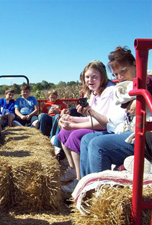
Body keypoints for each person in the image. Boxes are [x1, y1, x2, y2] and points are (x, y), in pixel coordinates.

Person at [80, 47, 139, 179]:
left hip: (138, 134)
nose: (120, 77)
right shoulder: (123, 89)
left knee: (97, 144)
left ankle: (98, 192)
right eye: (116, 74)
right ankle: (85, 183)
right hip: (122, 129)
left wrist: (139, 100)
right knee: (86, 139)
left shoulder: (144, 82)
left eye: (123, 72)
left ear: (135, 65)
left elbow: (108, 121)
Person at [56, 60, 115, 193]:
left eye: (94, 76)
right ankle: (72, 168)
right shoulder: (94, 92)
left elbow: (101, 123)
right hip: (99, 124)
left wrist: (73, 125)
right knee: (65, 132)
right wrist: (70, 119)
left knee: (76, 135)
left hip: (109, 128)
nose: (90, 80)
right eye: (87, 77)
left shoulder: (109, 92)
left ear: (102, 77)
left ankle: (79, 180)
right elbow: (90, 118)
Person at [38, 89, 67, 155]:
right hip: (49, 117)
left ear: (56, 97)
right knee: (42, 115)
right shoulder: (46, 104)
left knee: (57, 116)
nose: (53, 99)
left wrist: (58, 112)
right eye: (51, 97)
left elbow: (65, 112)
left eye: (54, 97)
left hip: (56, 117)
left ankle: (52, 137)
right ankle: (42, 136)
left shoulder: (61, 103)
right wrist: (48, 112)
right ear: (48, 97)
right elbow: (44, 113)